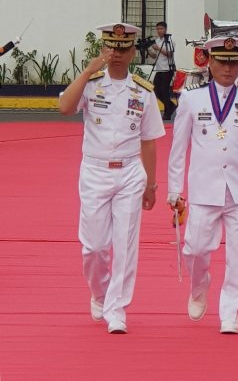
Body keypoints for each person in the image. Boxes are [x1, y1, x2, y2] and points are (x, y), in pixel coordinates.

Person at [58, 22, 165, 334]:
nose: (117, 54)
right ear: (104, 49)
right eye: (112, 48)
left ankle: (117, 308)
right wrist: (87, 70)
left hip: (131, 172)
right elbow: (64, 107)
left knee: (126, 243)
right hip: (94, 171)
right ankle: (100, 292)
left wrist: (151, 183)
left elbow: (149, 140)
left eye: (123, 49)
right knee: (93, 247)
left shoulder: (142, 91)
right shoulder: (90, 83)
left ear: (133, 52)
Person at [167, 36, 238, 334]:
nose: (228, 68)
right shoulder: (192, 98)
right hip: (204, 189)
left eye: (234, 62)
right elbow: (178, 149)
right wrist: (174, 190)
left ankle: (230, 310)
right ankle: (199, 284)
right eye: (222, 61)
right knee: (195, 250)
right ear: (210, 62)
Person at [147, 21, 177, 120]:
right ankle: (171, 106)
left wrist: (158, 48)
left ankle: (167, 112)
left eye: (161, 28)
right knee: (156, 90)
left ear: (165, 29)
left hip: (167, 69)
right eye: (158, 29)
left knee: (164, 91)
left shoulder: (170, 41)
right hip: (159, 69)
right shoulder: (157, 41)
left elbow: (170, 54)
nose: (159, 31)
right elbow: (155, 55)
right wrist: (148, 50)